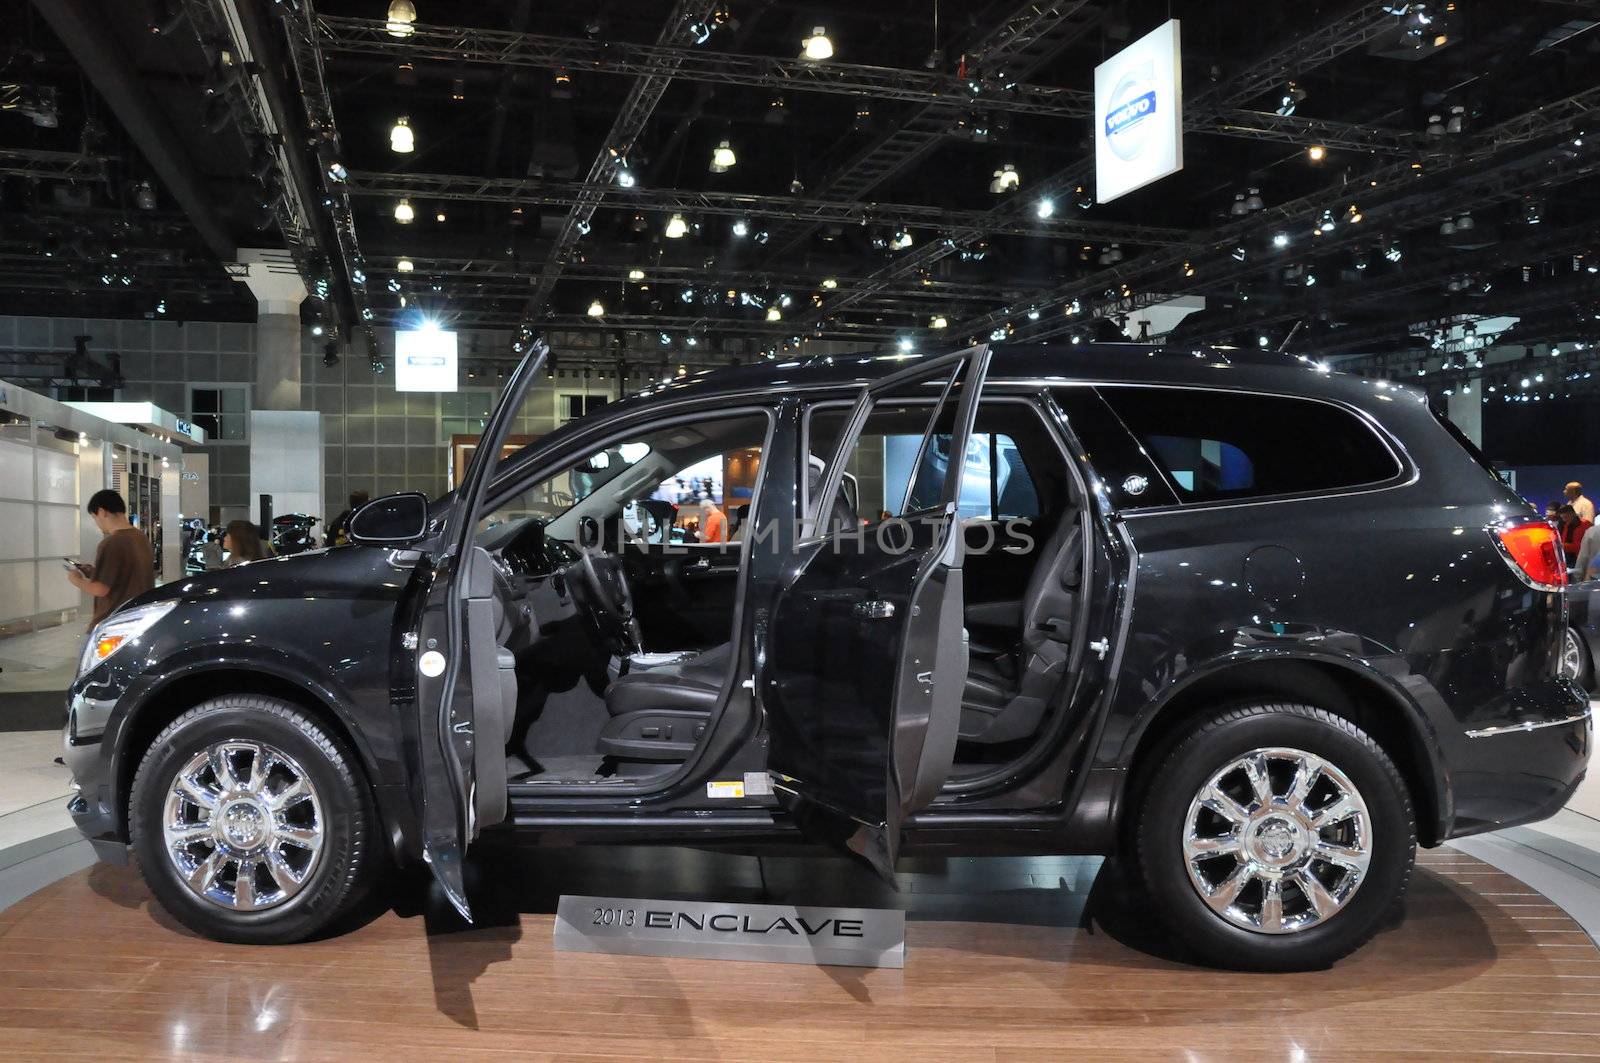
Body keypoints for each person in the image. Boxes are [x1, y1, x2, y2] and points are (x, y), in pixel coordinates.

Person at [67, 489, 155, 626]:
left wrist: (76, 580)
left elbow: (100, 589)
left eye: (95, 517)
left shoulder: (111, 543)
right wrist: (93, 572)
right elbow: (128, 575)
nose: (97, 522)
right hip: (138, 617)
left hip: (113, 621)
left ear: (102, 512)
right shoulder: (141, 538)